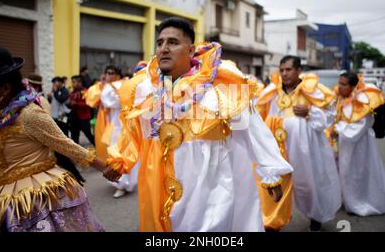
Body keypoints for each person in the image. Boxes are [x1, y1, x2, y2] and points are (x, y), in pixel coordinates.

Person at [105, 17, 293, 232]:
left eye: (173, 42)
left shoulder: (222, 88)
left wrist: (271, 172)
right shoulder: (146, 89)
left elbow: (252, 129)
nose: (164, 48)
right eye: (160, 43)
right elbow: (135, 129)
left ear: (191, 50)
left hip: (210, 183)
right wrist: (120, 160)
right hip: (160, 180)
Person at [0, 47, 116, 231]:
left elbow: (66, 145)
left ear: (5, 88)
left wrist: (105, 168)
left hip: (30, 201)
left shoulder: (29, 114)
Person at [256, 55, 341, 231]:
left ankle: (315, 216)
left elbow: (329, 116)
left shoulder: (313, 90)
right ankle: (272, 222)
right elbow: (260, 114)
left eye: (288, 69)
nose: (284, 74)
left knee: (310, 183)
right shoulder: (272, 90)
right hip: (278, 146)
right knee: (274, 182)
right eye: (282, 70)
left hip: (306, 147)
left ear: (298, 71)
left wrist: (309, 112)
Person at [330, 72, 385, 216]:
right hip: (344, 145)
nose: (340, 87)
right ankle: (345, 200)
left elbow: (358, 128)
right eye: (339, 83)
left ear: (353, 86)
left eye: (343, 84)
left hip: (359, 146)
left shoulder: (362, 102)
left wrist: (336, 129)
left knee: (356, 174)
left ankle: (358, 203)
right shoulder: (340, 98)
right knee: (343, 173)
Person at [85, 65, 139, 198]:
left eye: (111, 73)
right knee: (115, 153)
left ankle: (123, 183)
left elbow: (109, 102)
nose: (108, 75)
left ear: (117, 75)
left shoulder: (118, 85)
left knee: (120, 154)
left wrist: (104, 87)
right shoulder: (110, 86)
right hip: (113, 125)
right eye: (107, 73)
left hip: (121, 125)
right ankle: (119, 181)